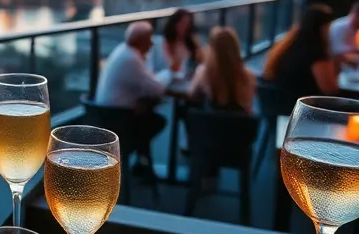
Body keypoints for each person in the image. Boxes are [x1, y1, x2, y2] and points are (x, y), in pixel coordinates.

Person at [93, 21, 170, 150]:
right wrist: (171, 72)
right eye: (149, 39)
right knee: (157, 121)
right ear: (142, 41)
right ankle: (137, 159)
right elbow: (157, 89)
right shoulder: (132, 59)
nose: (151, 44)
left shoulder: (123, 51)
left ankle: (140, 161)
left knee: (146, 114)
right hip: (117, 119)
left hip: (104, 115)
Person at [262, 4, 340, 98]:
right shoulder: (316, 53)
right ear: (323, 27)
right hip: (304, 106)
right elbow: (330, 90)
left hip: (277, 104)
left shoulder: (286, 45)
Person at [189, 27, 256, 114]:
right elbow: (249, 111)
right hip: (237, 126)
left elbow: (192, 95)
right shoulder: (248, 77)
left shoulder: (203, 73)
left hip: (207, 126)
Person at [149, 8, 201, 78]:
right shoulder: (157, 43)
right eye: (181, 23)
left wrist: (197, 46)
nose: (184, 28)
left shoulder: (188, 47)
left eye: (187, 24)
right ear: (174, 23)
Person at [328, 0, 359, 64]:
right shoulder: (340, 26)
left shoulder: (356, 29)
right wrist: (358, 52)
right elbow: (335, 51)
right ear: (358, 15)